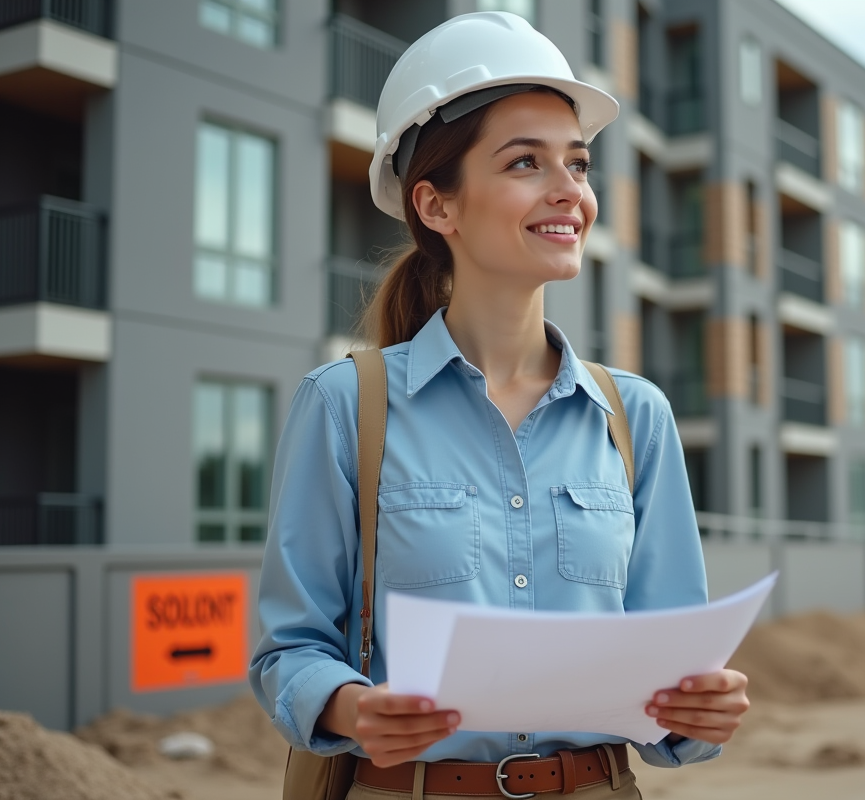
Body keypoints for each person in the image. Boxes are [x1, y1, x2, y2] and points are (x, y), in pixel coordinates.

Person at [250, 12, 750, 799]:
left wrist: (699, 709)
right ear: (437, 205)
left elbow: (670, 675)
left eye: (578, 165)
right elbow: (288, 651)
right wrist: (351, 709)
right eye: (526, 163)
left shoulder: (636, 417)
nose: (569, 193)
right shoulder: (346, 406)